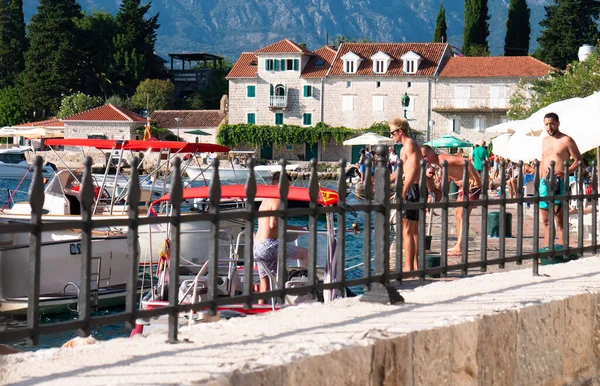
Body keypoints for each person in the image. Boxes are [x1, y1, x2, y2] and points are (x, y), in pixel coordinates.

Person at [254, 172, 308, 303]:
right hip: (269, 246)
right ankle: (304, 287)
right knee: (306, 253)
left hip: (257, 246)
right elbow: (274, 224)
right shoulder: (278, 199)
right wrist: (298, 229)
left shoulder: (265, 200)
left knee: (264, 285)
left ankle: (261, 311)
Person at [421, 145, 482, 257]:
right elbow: (448, 178)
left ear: (431, 153)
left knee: (461, 214)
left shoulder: (443, 158)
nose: (424, 159)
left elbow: (467, 162)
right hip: (463, 188)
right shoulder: (440, 164)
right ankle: (460, 245)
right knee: (459, 215)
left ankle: (459, 247)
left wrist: (477, 180)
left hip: (471, 185)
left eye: (424, 156)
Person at [540, 112, 581, 248]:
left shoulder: (566, 140)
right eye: (546, 124)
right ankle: (547, 251)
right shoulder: (545, 140)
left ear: (558, 123)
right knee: (546, 221)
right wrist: (539, 181)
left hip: (559, 182)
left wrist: (565, 172)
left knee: (560, 221)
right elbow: (543, 161)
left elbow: (579, 161)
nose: (549, 127)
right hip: (544, 183)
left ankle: (563, 252)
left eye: (552, 123)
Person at [390, 117, 422, 271]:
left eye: (392, 133)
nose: (391, 136)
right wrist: (382, 179)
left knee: (407, 231)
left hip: (412, 189)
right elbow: (400, 171)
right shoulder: (405, 147)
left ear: (400, 131)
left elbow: (415, 170)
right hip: (414, 189)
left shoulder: (409, 145)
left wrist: (403, 190)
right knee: (413, 231)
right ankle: (415, 266)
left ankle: (409, 269)